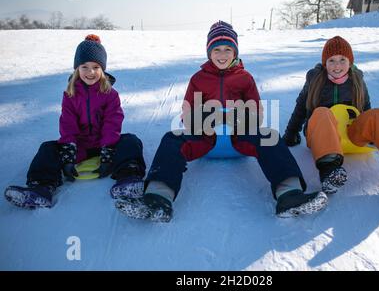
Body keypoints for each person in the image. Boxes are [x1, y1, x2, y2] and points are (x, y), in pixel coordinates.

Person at [115, 21, 328, 222]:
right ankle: (158, 199)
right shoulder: (198, 79)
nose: (222, 54)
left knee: (270, 137)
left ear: (235, 52)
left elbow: (257, 114)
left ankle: (289, 194)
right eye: (216, 50)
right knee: (172, 139)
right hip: (207, 139)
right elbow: (187, 115)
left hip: (239, 138)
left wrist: (238, 116)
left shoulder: (245, 78)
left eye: (227, 49)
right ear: (209, 52)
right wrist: (208, 116)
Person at [282, 36, 379, 194]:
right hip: (322, 136)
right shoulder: (315, 79)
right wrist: (291, 134)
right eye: (332, 60)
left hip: (350, 134)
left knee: (377, 114)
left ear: (350, 62)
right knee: (322, 112)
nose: (337, 65)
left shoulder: (357, 80)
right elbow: (300, 108)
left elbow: (366, 112)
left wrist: (373, 133)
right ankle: (329, 172)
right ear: (325, 63)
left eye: (342, 59)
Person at [4, 34, 146, 209]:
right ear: (77, 68)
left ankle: (128, 179)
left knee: (131, 141)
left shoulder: (110, 94)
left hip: (106, 145)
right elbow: (67, 124)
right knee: (48, 148)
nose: (90, 72)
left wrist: (108, 153)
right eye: (84, 66)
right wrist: (68, 155)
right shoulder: (70, 95)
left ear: (102, 69)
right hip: (80, 147)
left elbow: (112, 123)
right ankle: (41, 188)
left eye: (96, 67)